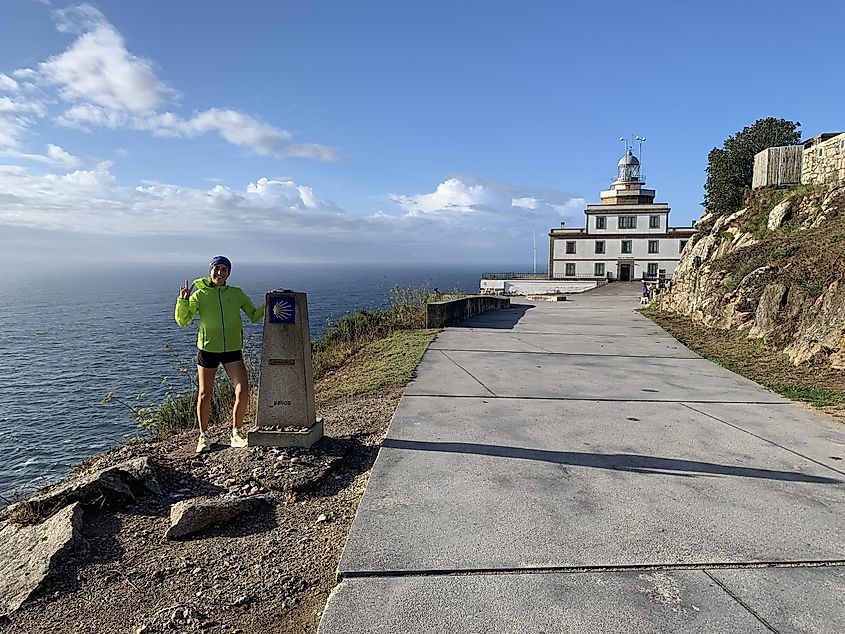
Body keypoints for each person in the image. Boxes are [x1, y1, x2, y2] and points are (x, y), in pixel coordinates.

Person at [175, 256, 265, 453]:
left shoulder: (236, 293)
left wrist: (270, 303)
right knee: (205, 394)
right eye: (216, 268)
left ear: (228, 273)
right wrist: (183, 300)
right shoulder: (199, 295)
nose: (219, 272)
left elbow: (254, 316)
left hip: (232, 349)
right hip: (207, 349)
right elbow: (183, 321)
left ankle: (236, 433)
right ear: (210, 271)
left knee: (243, 391)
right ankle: (203, 436)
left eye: (224, 269)